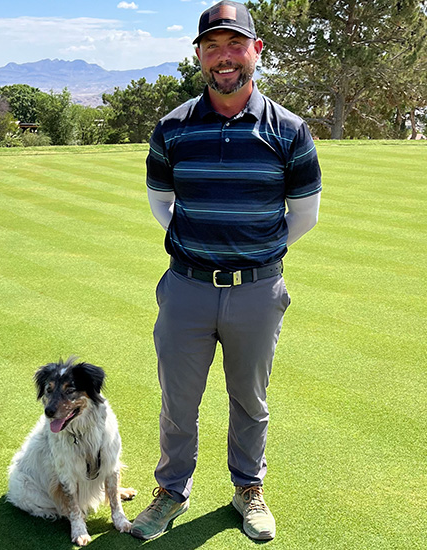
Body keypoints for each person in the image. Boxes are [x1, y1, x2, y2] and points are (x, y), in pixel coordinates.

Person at [129, 0, 322, 542]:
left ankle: (248, 490)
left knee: (250, 400)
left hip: (258, 292)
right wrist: (195, 248)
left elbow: (303, 216)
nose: (224, 57)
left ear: (256, 51)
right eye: (212, 46)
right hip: (186, 289)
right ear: (198, 55)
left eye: (235, 44)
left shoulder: (289, 129)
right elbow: (160, 203)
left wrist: (256, 255)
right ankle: (171, 492)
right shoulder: (172, 128)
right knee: (177, 401)